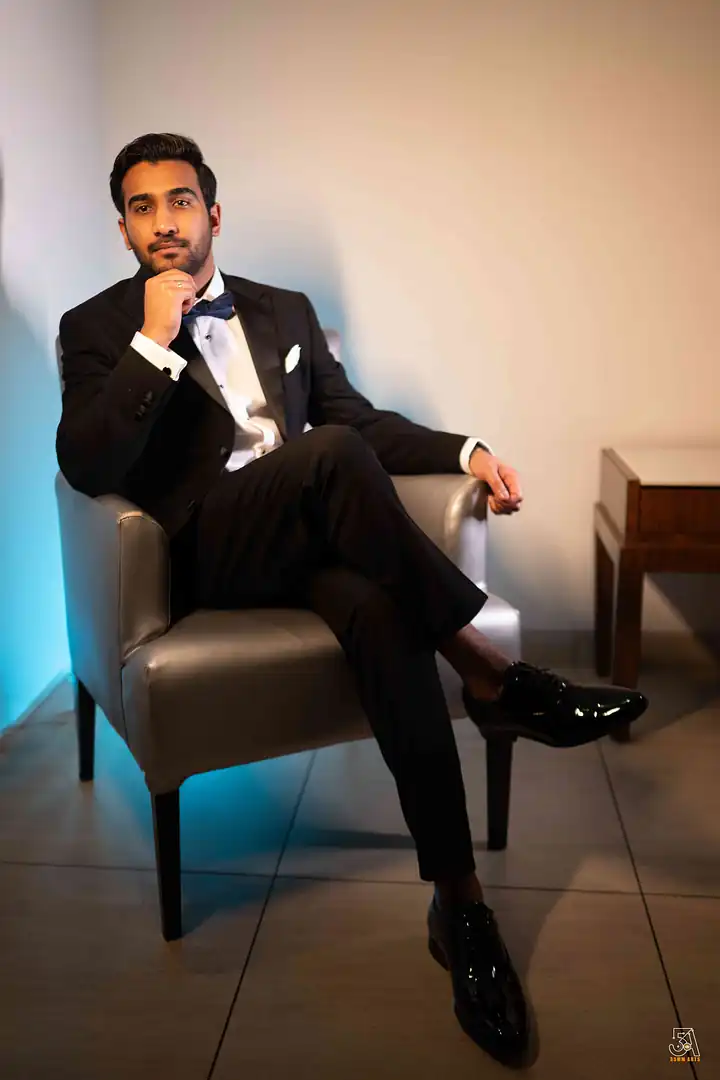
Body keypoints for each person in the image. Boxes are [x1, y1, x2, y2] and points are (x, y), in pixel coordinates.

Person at [56, 133, 647, 1068]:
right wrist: (152, 345)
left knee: (381, 612)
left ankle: (460, 909)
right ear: (123, 229)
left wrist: (467, 453)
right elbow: (86, 464)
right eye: (142, 207)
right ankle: (493, 673)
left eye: (180, 200)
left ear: (215, 213)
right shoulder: (96, 328)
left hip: (309, 537)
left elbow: (358, 421)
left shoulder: (284, 310)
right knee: (328, 458)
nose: (163, 221)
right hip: (206, 554)